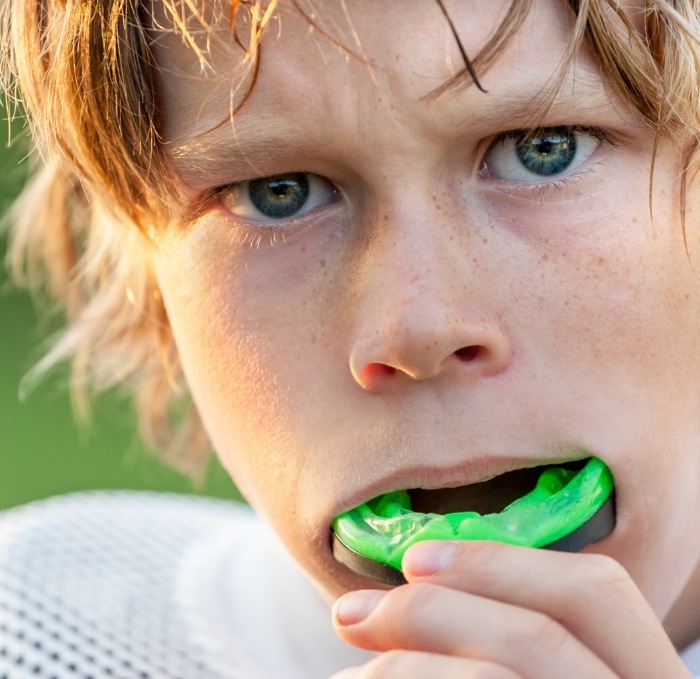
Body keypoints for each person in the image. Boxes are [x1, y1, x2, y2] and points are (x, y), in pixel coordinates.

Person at [2, 0, 700, 677]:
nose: (417, 329)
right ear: (151, 287)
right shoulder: (33, 635)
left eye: (542, 150)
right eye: (281, 190)